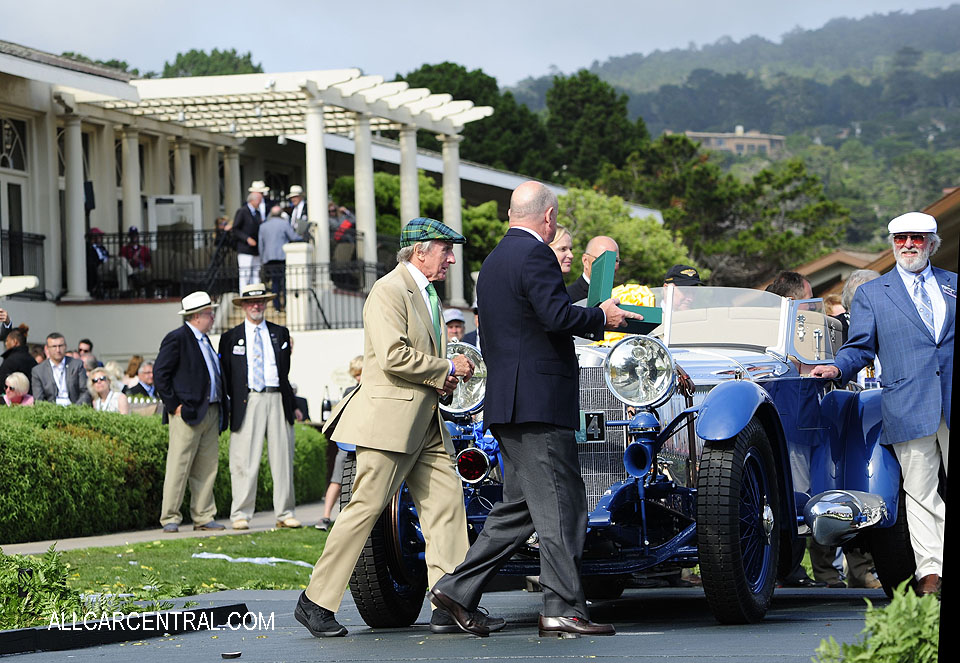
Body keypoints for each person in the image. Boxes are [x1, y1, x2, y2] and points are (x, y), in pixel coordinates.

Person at [429, 181, 639, 638]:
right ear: (548, 219)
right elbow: (557, 316)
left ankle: (455, 592)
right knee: (563, 506)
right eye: (556, 220)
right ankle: (562, 607)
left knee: (520, 510)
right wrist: (604, 316)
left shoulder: (495, 260)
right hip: (539, 405)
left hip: (509, 405)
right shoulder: (536, 255)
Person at [295, 217, 481, 639]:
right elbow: (395, 356)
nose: (451, 257)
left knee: (447, 507)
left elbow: (415, 361)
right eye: (445, 249)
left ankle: (449, 601)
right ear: (420, 251)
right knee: (363, 510)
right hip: (391, 424)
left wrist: (444, 380)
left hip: (424, 421)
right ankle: (316, 601)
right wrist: (447, 366)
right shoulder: (389, 289)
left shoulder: (424, 293)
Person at [811, 211, 953, 597]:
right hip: (908, 403)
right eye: (901, 238)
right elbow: (859, 347)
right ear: (892, 244)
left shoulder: (954, 285)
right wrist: (836, 369)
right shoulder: (874, 293)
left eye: (918, 238)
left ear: (932, 244)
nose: (909, 245)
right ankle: (931, 574)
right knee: (921, 493)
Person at [219, 283, 302, 531]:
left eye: (261, 301)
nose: (256, 306)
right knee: (244, 459)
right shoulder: (230, 337)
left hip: (276, 397)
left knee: (283, 458)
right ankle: (241, 514)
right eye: (251, 302)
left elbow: (285, 371)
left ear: (265, 304)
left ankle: (285, 512)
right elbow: (226, 376)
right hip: (249, 400)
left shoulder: (280, 332)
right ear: (243, 305)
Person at [153, 291, 227, 534]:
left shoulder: (204, 340)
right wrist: (174, 405)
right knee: (179, 465)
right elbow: (160, 374)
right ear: (196, 317)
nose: (213, 317)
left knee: (207, 467)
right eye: (209, 313)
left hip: (210, 410)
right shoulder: (177, 338)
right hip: (187, 413)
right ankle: (170, 517)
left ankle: (204, 515)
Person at [316, 355, 363, 532]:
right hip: (349, 441)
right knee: (337, 478)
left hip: (366, 441)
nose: (359, 378)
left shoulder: (376, 391)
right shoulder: (349, 391)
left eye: (362, 373)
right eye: (356, 375)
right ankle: (326, 516)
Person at [258, 205, 303, 311]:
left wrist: (262, 258)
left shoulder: (263, 226)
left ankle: (276, 306)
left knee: (275, 282)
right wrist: (303, 237)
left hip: (269, 258)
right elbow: (293, 237)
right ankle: (286, 305)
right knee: (284, 282)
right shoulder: (284, 224)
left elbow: (261, 244)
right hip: (282, 257)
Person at [31, 333, 92, 406]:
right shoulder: (38, 371)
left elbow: (85, 391)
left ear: (65, 346)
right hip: (51, 412)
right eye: (54, 346)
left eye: (60, 346)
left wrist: (75, 409)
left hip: (75, 408)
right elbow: (38, 399)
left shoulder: (76, 365)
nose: (58, 350)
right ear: (47, 349)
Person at [566, 235, 620, 302]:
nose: (609, 265)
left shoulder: (621, 296)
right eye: (603, 259)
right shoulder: (568, 297)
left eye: (615, 260)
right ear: (585, 261)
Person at [234, 189, 264, 290]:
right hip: (245, 249)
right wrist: (247, 239)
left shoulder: (258, 213)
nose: (260, 202)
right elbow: (235, 229)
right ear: (253, 200)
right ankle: (244, 296)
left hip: (256, 250)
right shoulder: (242, 211)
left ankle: (256, 294)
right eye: (259, 200)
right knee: (245, 275)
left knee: (256, 274)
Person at [0, 328, 36, 393]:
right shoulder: (32, 360)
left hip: (13, 401)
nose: (6, 343)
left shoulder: (10, 361)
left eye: (7, 340)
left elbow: (2, 385)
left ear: (15, 342)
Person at [86, 228, 109, 297]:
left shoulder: (102, 248)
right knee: (121, 261)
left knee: (121, 264)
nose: (101, 238)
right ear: (93, 238)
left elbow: (107, 255)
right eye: (99, 236)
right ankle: (132, 276)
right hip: (100, 267)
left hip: (108, 266)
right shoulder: (89, 248)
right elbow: (93, 261)